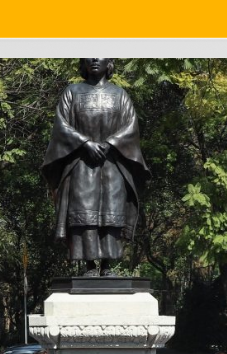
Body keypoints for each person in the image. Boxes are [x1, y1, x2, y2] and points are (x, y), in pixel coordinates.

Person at [41, 57, 150, 277]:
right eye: (88, 55)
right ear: (82, 63)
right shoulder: (72, 92)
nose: (94, 59)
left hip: (113, 163)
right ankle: (89, 266)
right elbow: (61, 126)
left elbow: (131, 126)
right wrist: (85, 143)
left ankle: (107, 266)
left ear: (109, 62)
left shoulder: (120, 95)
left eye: (99, 54)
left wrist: (111, 143)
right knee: (84, 213)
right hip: (82, 163)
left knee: (111, 212)